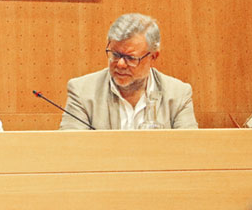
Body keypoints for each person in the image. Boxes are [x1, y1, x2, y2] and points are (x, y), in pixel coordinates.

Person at [59, 13, 198, 130]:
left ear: (153, 57)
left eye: (130, 58)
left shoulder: (177, 94)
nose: (120, 64)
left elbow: (189, 151)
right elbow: (69, 150)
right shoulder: (82, 91)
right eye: (115, 54)